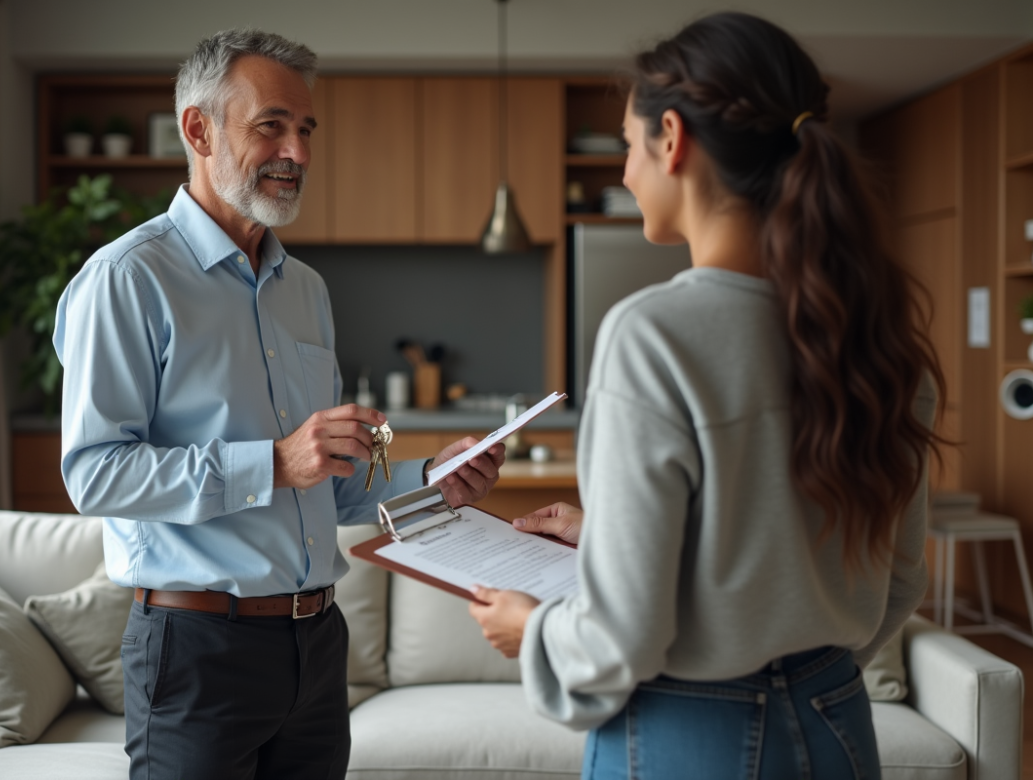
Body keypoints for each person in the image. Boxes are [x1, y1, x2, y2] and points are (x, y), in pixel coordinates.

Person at [468, 12, 943, 780]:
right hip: (837, 720)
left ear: (672, 138)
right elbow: (895, 579)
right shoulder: (880, 343)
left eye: (627, 145)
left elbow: (620, 641)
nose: (624, 172)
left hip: (693, 734)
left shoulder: (654, 334)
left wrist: (537, 631)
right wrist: (619, 542)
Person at [53, 29, 504, 780]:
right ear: (199, 129)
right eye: (271, 126)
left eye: (305, 129)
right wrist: (273, 462)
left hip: (317, 646)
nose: (296, 150)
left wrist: (432, 479)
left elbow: (324, 483)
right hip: (196, 648)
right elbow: (96, 476)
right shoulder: (127, 279)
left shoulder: (308, 291)